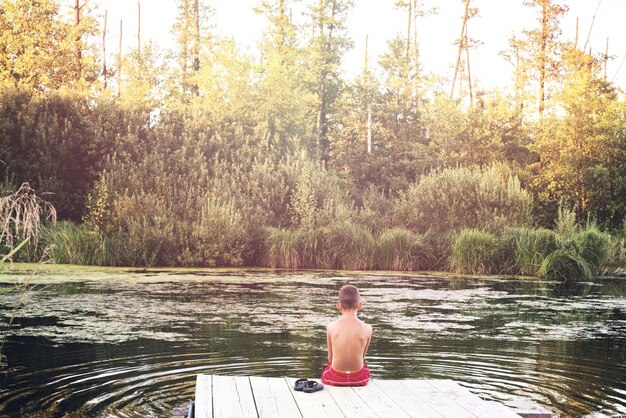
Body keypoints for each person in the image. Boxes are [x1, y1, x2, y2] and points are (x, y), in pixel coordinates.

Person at [321, 284, 372, 386]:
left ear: (339, 306)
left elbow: (330, 358)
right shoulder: (368, 328)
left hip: (335, 379)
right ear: (360, 305)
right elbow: (362, 358)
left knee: (327, 368)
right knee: (365, 368)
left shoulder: (331, 326)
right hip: (359, 379)